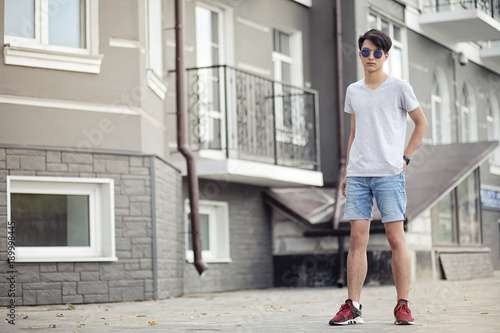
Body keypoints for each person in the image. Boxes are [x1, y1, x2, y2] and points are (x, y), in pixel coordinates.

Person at [329, 29, 428, 326]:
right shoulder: (353, 91)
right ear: (360, 54)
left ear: (385, 56)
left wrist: (405, 157)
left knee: (395, 238)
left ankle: (402, 305)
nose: (370, 57)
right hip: (359, 174)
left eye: (376, 52)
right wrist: (347, 171)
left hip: (389, 174)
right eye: (365, 52)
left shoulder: (399, 87)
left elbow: (421, 124)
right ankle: (354, 306)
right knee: (357, 238)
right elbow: (355, 133)